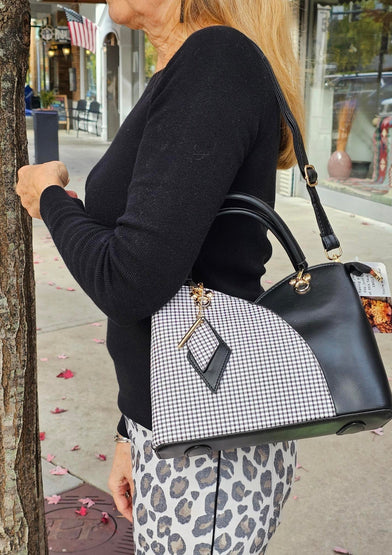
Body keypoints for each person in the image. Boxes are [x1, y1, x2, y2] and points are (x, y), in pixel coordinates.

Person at [16, 1, 304, 552]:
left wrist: (50, 199)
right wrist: (131, 430)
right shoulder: (191, 68)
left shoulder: (216, 62)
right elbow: (167, 268)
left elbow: (129, 280)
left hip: (207, 442)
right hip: (180, 427)